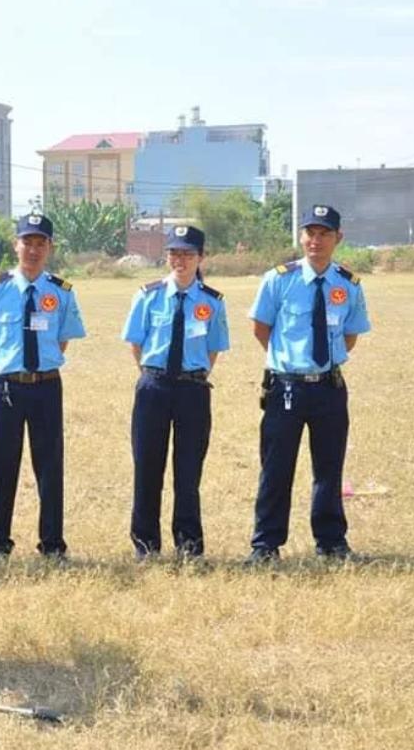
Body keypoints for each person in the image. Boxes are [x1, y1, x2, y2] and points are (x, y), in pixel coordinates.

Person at [247, 204, 371, 563]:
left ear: (338, 238)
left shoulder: (348, 285)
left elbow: (349, 335)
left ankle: (331, 543)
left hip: (329, 388)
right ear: (301, 237)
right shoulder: (279, 279)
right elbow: (261, 329)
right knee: (276, 468)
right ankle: (265, 546)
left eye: (324, 234)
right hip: (287, 386)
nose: (316, 241)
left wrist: (321, 364)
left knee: (329, 468)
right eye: (310, 233)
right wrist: (291, 363)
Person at [0, 213, 86, 565]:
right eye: (27, 242)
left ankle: (52, 545)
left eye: (40, 243)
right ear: (15, 245)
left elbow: (62, 341)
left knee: (49, 465)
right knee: (1, 466)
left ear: (50, 248)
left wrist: (36, 370)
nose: (33, 250)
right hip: (5, 387)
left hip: (46, 386)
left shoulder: (60, 292)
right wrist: (11, 368)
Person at [121, 225, 229, 561]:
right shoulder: (148, 295)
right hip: (153, 387)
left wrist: (191, 375)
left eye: (188, 254)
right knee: (147, 469)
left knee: (188, 471)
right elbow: (136, 344)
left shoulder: (211, 302)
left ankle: (189, 546)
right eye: (174, 253)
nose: (180, 260)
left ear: (201, 257)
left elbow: (213, 349)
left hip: (193, 390)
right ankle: (146, 545)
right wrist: (154, 375)